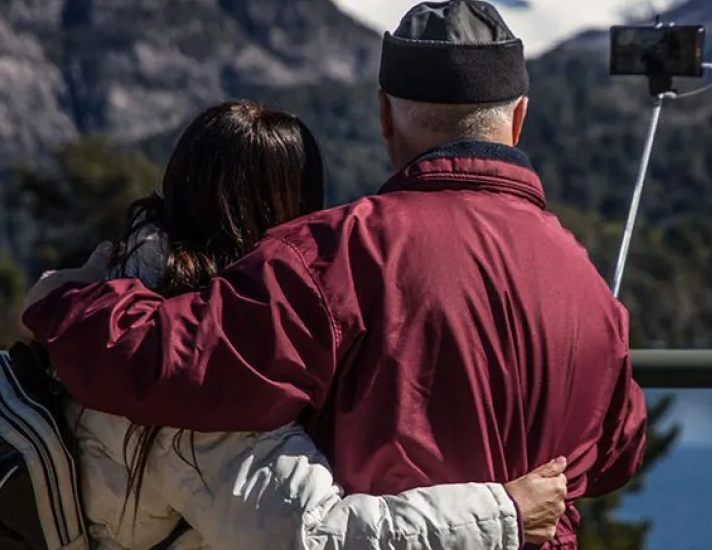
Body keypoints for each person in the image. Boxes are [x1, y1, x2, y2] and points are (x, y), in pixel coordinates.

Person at [24, 0, 648, 550]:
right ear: (518, 118)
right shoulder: (591, 290)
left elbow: (170, 362)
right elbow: (619, 452)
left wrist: (70, 300)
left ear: (384, 115)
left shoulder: (334, 254)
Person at [45, 100, 569, 550]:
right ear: (291, 213)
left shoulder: (111, 308)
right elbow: (318, 536)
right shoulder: (204, 379)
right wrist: (505, 514)